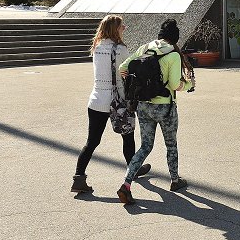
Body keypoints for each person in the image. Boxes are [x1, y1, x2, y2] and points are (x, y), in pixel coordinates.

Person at [116, 19, 195, 204]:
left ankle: (126, 184)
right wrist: (189, 84)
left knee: (145, 146)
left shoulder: (145, 47)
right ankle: (175, 180)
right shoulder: (173, 55)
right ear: (175, 38)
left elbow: (122, 68)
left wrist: (139, 86)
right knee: (171, 145)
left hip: (143, 105)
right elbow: (175, 84)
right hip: (165, 107)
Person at [71, 15, 150, 194]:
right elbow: (127, 73)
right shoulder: (120, 49)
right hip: (118, 101)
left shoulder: (97, 47)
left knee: (91, 142)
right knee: (128, 137)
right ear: (115, 28)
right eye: (122, 26)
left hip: (96, 100)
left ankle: (78, 178)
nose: (125, 28)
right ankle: (133, 169)